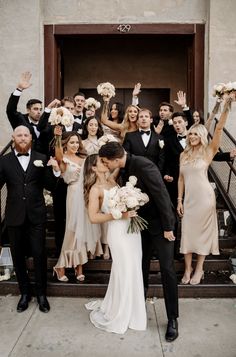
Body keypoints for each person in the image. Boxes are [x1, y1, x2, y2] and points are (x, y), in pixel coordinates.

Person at [98, 142, 178, 342]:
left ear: (116, 159)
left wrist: (168, 227)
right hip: (140, 227)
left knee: (167, 270)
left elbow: (161, 195)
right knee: (139, 268)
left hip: (161, 227)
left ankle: (172, 319)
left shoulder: (144, 165)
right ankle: (137, 310)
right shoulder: (124, 168)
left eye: (107, 163)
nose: (106, 166)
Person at [84, 154, 147, 334]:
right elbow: (93, 217)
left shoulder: (113, 181)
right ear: (94, 168)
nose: (105, 163)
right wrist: (119, 215)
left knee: (134, 267)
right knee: (124, 269)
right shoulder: (95, 189)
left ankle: (134, 310)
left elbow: (119, 159)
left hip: (132, 231)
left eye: (105, 161)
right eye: (101, 162)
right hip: (117, 232)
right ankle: (121, 311)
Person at [177, 97, 233, 286]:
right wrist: (179, 199)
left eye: (195, 134)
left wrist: (226, 107)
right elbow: (181, 179)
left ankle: (199, 268)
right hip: (189, 200)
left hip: (205, 198)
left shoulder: (209, 152)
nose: (191, 137)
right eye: (190, 134)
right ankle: (187, 269)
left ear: (201, 136)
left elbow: (217, 129)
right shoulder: (183, 154)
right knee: (187, 232)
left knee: (201, 234)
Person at [0, 126, 56, 313]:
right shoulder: (4, 161)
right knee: (18, 256)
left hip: (36, 215)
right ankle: (24, 293)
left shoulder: (41, 158)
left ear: (30, 137)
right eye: (19, 135)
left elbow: (50, 186)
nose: (23, 138)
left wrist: (54, 171)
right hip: (14, 216)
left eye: (26, 135)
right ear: (13, 138)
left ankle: (41, 295)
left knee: (39, 254)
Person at [52, 131, 90, 281]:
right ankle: (60, 265)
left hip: (85, 195)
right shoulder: (63, 159)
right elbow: (59, 153)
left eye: (77, 142)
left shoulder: (84, 158)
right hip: (73, 194)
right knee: (71, 230)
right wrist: (58, 137)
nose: (75, 145)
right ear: (66, 144)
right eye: (72, 142)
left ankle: (78, 264)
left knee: (81, 231)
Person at [123, 108, 165, 174]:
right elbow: (126, 155)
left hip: (153, 173)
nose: (143, 119)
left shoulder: (159, 138)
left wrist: (157, 173)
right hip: (134, 173)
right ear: (138, 120)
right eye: (141, 117)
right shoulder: (129, 136)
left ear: (151, 120)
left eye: (146, 116)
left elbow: (162, 158)